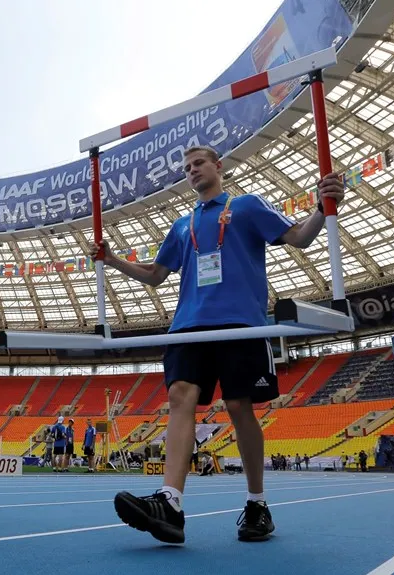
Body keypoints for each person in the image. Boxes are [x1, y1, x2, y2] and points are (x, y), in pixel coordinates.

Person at [95, 145, 344, 544]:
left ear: (218, 166)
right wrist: (111, 259)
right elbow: (157, 275)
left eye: (199, 164)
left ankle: (257, 503)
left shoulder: (246, 206)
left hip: (240, 323)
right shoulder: (182, 224)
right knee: (180, 396)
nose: (192, 171)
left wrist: (322, 204)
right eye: (187, 167)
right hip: (188, 326)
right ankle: (171, 503)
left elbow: (300, 238)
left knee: (238, 405)